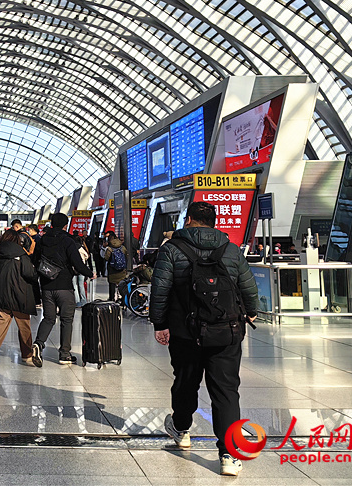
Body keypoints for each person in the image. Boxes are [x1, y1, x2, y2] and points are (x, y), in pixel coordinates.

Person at [150, 201, 259, 477]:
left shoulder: (171, 249)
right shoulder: (231, 249)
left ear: (189, 221)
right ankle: (229, 456)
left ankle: (181, 429)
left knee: (186, 381)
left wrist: (160, 323)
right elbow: (247, 284)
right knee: (225, 391)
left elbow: (160, 289)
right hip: (226, 331)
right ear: (213, 222)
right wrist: (253, 311)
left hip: (186, 332)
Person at [31, 213, 95, 366]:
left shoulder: (43, 240)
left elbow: (35, 261)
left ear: (51, 224)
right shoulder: (68, 240)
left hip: (46, 286)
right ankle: (64, 354)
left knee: (48, 318)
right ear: (66, 225)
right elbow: (77, 263)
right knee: (66, 320)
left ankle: (38, 344)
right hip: (64, 286)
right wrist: (89, 273)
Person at [0, 229, 39, 366]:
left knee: (0, 324)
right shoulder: (22, 254)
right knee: (24, 325)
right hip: (20, 294)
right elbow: (29, 274)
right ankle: (27, 355)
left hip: (2, 293)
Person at [101, 232, 128, 302]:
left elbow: (106, 258)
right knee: (122, 285)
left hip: (112, 270)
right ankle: (122, 300)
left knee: (112, 285)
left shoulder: (109, 249)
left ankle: (112, 299)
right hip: (122, 270)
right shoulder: (123, 248)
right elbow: (126, 256)